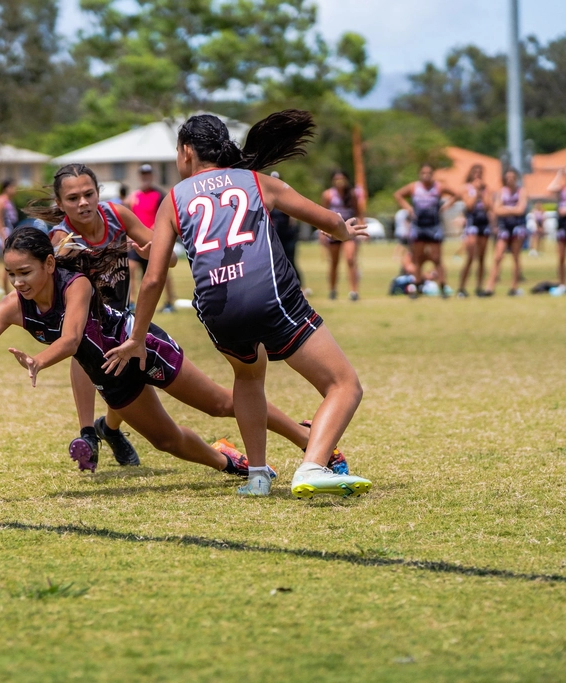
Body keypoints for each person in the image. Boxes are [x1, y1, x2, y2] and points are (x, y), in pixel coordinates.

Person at [0, 227, 328, 479]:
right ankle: (229, 463)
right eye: (11, 274)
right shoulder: (13, 306)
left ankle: (310, 440)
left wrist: (39, 361)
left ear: (50, 264)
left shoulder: (76, 285)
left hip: (138, 346)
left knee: (220, 404)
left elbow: (69, 341)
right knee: (165, 440)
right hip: (109, 372)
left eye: (25, 272)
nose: (17, 283)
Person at [104, 110, 372, 498]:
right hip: (270, 298)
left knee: (248, 376)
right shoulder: (256, 182)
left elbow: (154, 278)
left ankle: (258, 476)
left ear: (186, 152)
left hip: (218, 310)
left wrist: (137, 336)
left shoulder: (173, 199)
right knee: (344, 385)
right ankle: (313, 465)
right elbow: (326, 219)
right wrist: (343, 232)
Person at [29, 163, 174, 469]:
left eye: (88, 194)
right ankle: (87, 434)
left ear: (98, 194)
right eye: (73, 198)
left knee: (132, 380)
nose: (82, 202)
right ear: (60, 203)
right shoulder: (60, 239)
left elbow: (169, 258)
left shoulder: (117, 215)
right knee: (85, 352)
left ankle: (108, 428)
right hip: (87, 323)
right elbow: (42, 283)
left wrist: (151, 252)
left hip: (122, 318)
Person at [394, 163, 458, 299]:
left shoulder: (439, 187)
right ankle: (417, 287)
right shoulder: (414, 187)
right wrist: (409, 208)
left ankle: (442, 287)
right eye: (423, 173)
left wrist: (446, 206)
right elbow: (398, 195)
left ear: (433, 174)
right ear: (419, 174)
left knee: (437, 259)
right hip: (418, 226)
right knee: (417, 259)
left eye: (429, 173)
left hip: (434, 226)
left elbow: (456, 194)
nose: (426, 176)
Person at [126, 163, 176, 312]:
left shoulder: (159, 195)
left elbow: (163, 217)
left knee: (162, 271)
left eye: (147, 174)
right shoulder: (135, 196)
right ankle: (132, 302)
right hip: (136, 240)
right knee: (131, 268)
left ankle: (169, 302)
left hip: (153, 238)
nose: (145, 177)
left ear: (152, 176)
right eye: (143, 175)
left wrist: (152, 231)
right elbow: (131, 217)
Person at [482, 168, 529, 297]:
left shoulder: (522, 191)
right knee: (498, 257)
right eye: (507, 177)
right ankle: (489, 287)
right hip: (504, 227)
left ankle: (514, 287)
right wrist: (513, 209)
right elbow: (496, 210)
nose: (510, 180)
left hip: (517, 227)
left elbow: (521, 210)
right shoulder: (501, 192)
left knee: (516, 257)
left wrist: (505, 209)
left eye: (512, 177)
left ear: (516, 178)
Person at [319, 170, 364, 301]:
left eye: (342, 178)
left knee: (351, 260)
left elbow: (359, 212)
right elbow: (322, 214)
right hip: (332, 232)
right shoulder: (328, 195)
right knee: (334, 262)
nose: (340, 181)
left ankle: (354, 291)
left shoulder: (352, 194)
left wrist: (361, 228)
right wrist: (322, 233)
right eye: (337, 179)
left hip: (348, 231)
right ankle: (332, 290)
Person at [457, 164, 492, 297]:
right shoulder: (466, 188)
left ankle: (479, 287)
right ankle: (461, 288)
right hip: (472, 224)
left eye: (480, 172)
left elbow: (488, 206)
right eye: (475, 172)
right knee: (470, 257)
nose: (477, 175)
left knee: (482, 258)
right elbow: (469, 206)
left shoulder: (486, 189)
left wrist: (482, 193)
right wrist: (477, 192)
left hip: (484, 224)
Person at [269, 171, 302, 287]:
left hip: (288, 234)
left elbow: (294, 214)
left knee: (290, 259)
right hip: (275, 234)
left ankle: (299, 284)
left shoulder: (286, 195)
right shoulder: (267, 196)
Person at [549, 168, 566, 287]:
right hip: (562, 224)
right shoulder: (562, 188)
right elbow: (550, 189)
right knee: (560, 257)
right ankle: (562, 283)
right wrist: (559, 175)